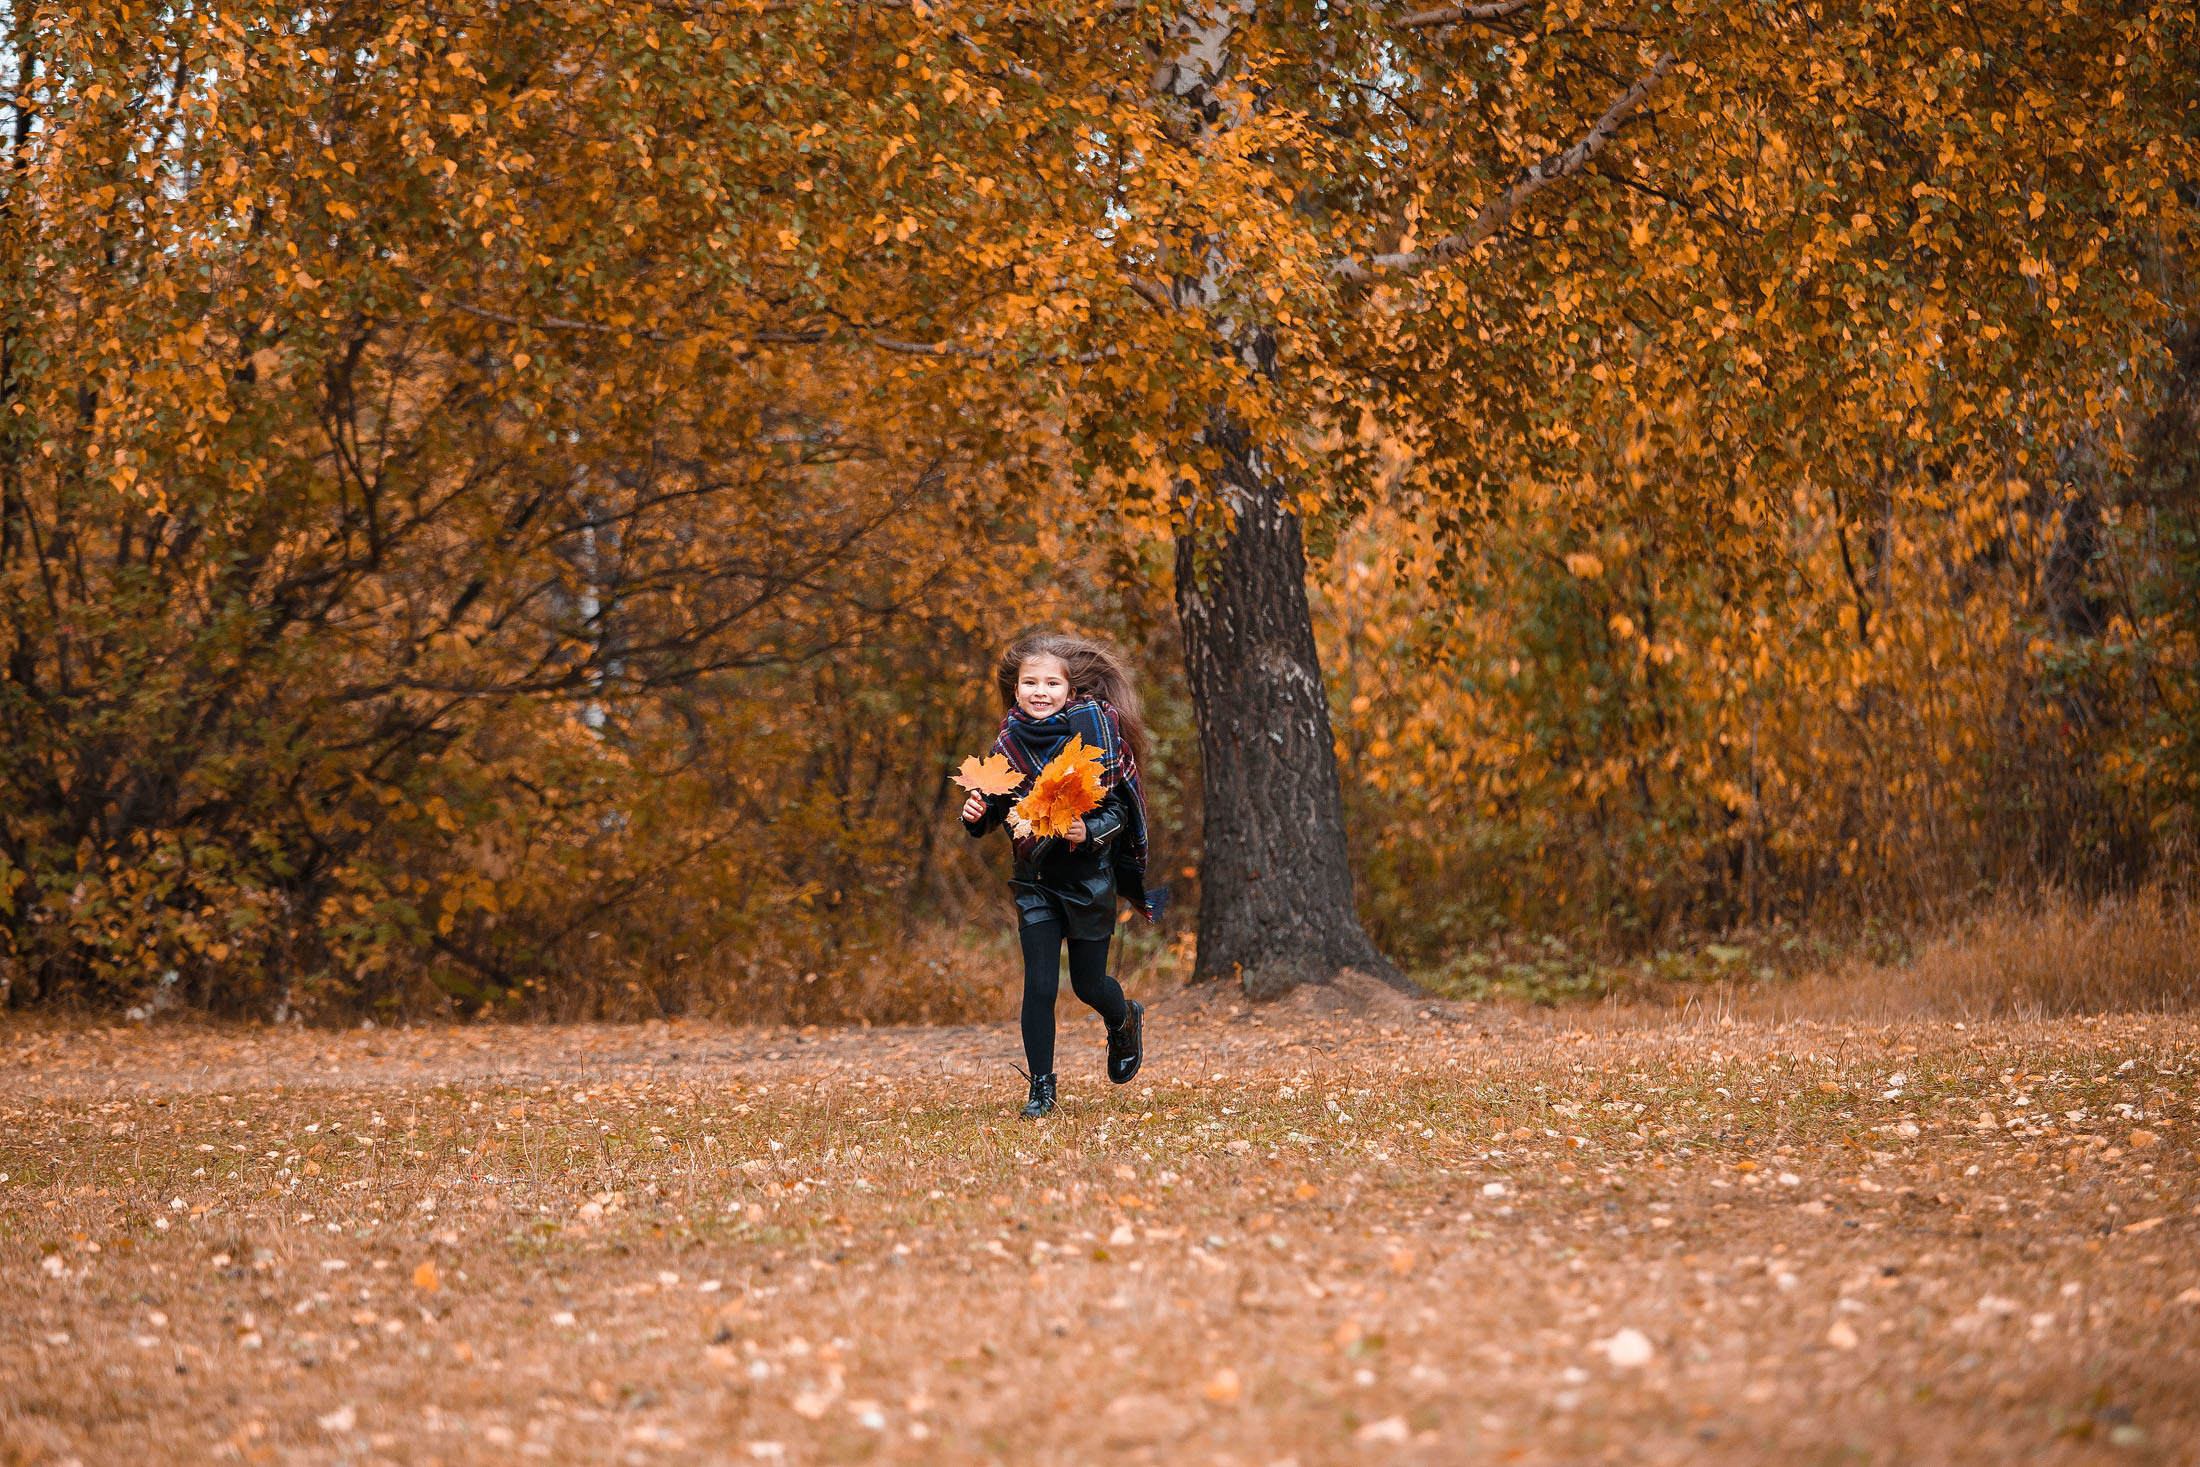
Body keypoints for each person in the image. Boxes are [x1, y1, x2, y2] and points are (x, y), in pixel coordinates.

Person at [960, 633, 1162, 1118]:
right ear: (1016, 689)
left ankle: (1123, 1019)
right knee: (1040, 986)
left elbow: (1118, 813)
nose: (1040, 691)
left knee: (1088, 986)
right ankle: (1041, 1090)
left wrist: (1084, 828)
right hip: (1035, 880)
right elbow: (994, 805)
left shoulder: (1093, 732)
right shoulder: (1008, 739)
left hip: (1089, 879)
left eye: (1052, 682)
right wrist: (975, 813)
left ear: (1070, 692)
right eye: (1030, 682)